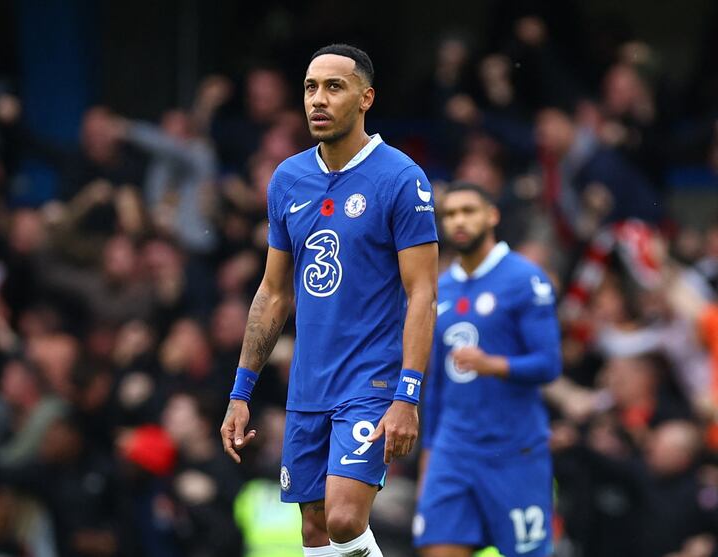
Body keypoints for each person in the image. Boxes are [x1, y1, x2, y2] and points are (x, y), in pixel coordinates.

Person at [219, 43, 439, 557]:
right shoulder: (288, 179)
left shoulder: (401, 178)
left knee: (343, 517)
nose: (318, 99)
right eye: (310, 88)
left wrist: (407, 396)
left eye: (334, 87)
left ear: (366, 98)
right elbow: (273, 293)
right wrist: (240, 392)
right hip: (308, 382)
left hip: (371, 378)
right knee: (315, 532)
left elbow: (423, 293)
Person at [414, 182, 562, 557]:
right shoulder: (440, 288)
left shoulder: (524, 278)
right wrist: (429, 459)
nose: (458, 221)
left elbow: (549, 364)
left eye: (468, 211)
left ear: (492, 215)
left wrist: (491, 364)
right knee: (438, 548)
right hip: (453, 450)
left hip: (513, 450)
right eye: (449, 214)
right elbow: (436, 385)